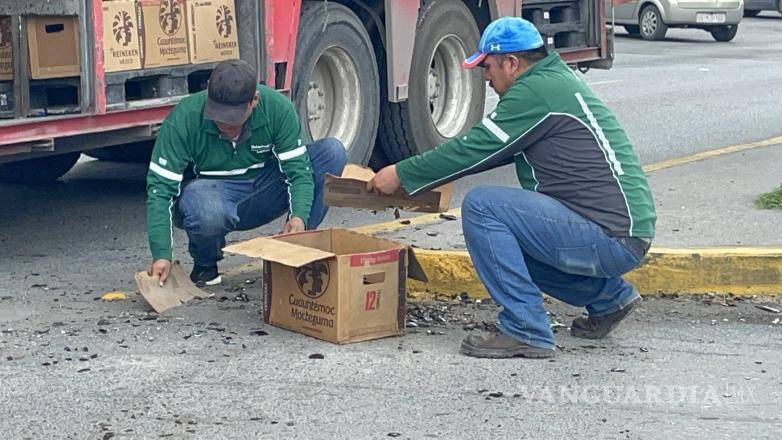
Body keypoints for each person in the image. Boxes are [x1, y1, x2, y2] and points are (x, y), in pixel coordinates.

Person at [368, 17, 656, 359]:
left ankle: (526, 329)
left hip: (610, 236)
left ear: (511, 63)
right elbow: (487, 153)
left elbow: (473, 149)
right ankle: (609, 298)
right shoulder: (552, 81)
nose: (486, 77)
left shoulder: (533, 92)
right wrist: (422, 177)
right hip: (619, 231)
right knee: (508, 243)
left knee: (483, 206)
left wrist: (401, 173)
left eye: (487, 67)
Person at [146, 59, 347, 286]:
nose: (224, 124)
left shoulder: (277, 108)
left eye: (233, 119)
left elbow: (299, 172)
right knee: (201, 202)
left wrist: (299, 216)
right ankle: (205, 265)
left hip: (266, 189)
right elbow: (159, 191)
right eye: (218, 116)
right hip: (214, 196)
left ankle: (297, 249)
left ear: (254, 101)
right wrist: (162, 255)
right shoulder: (184, 117)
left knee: (332, 152)